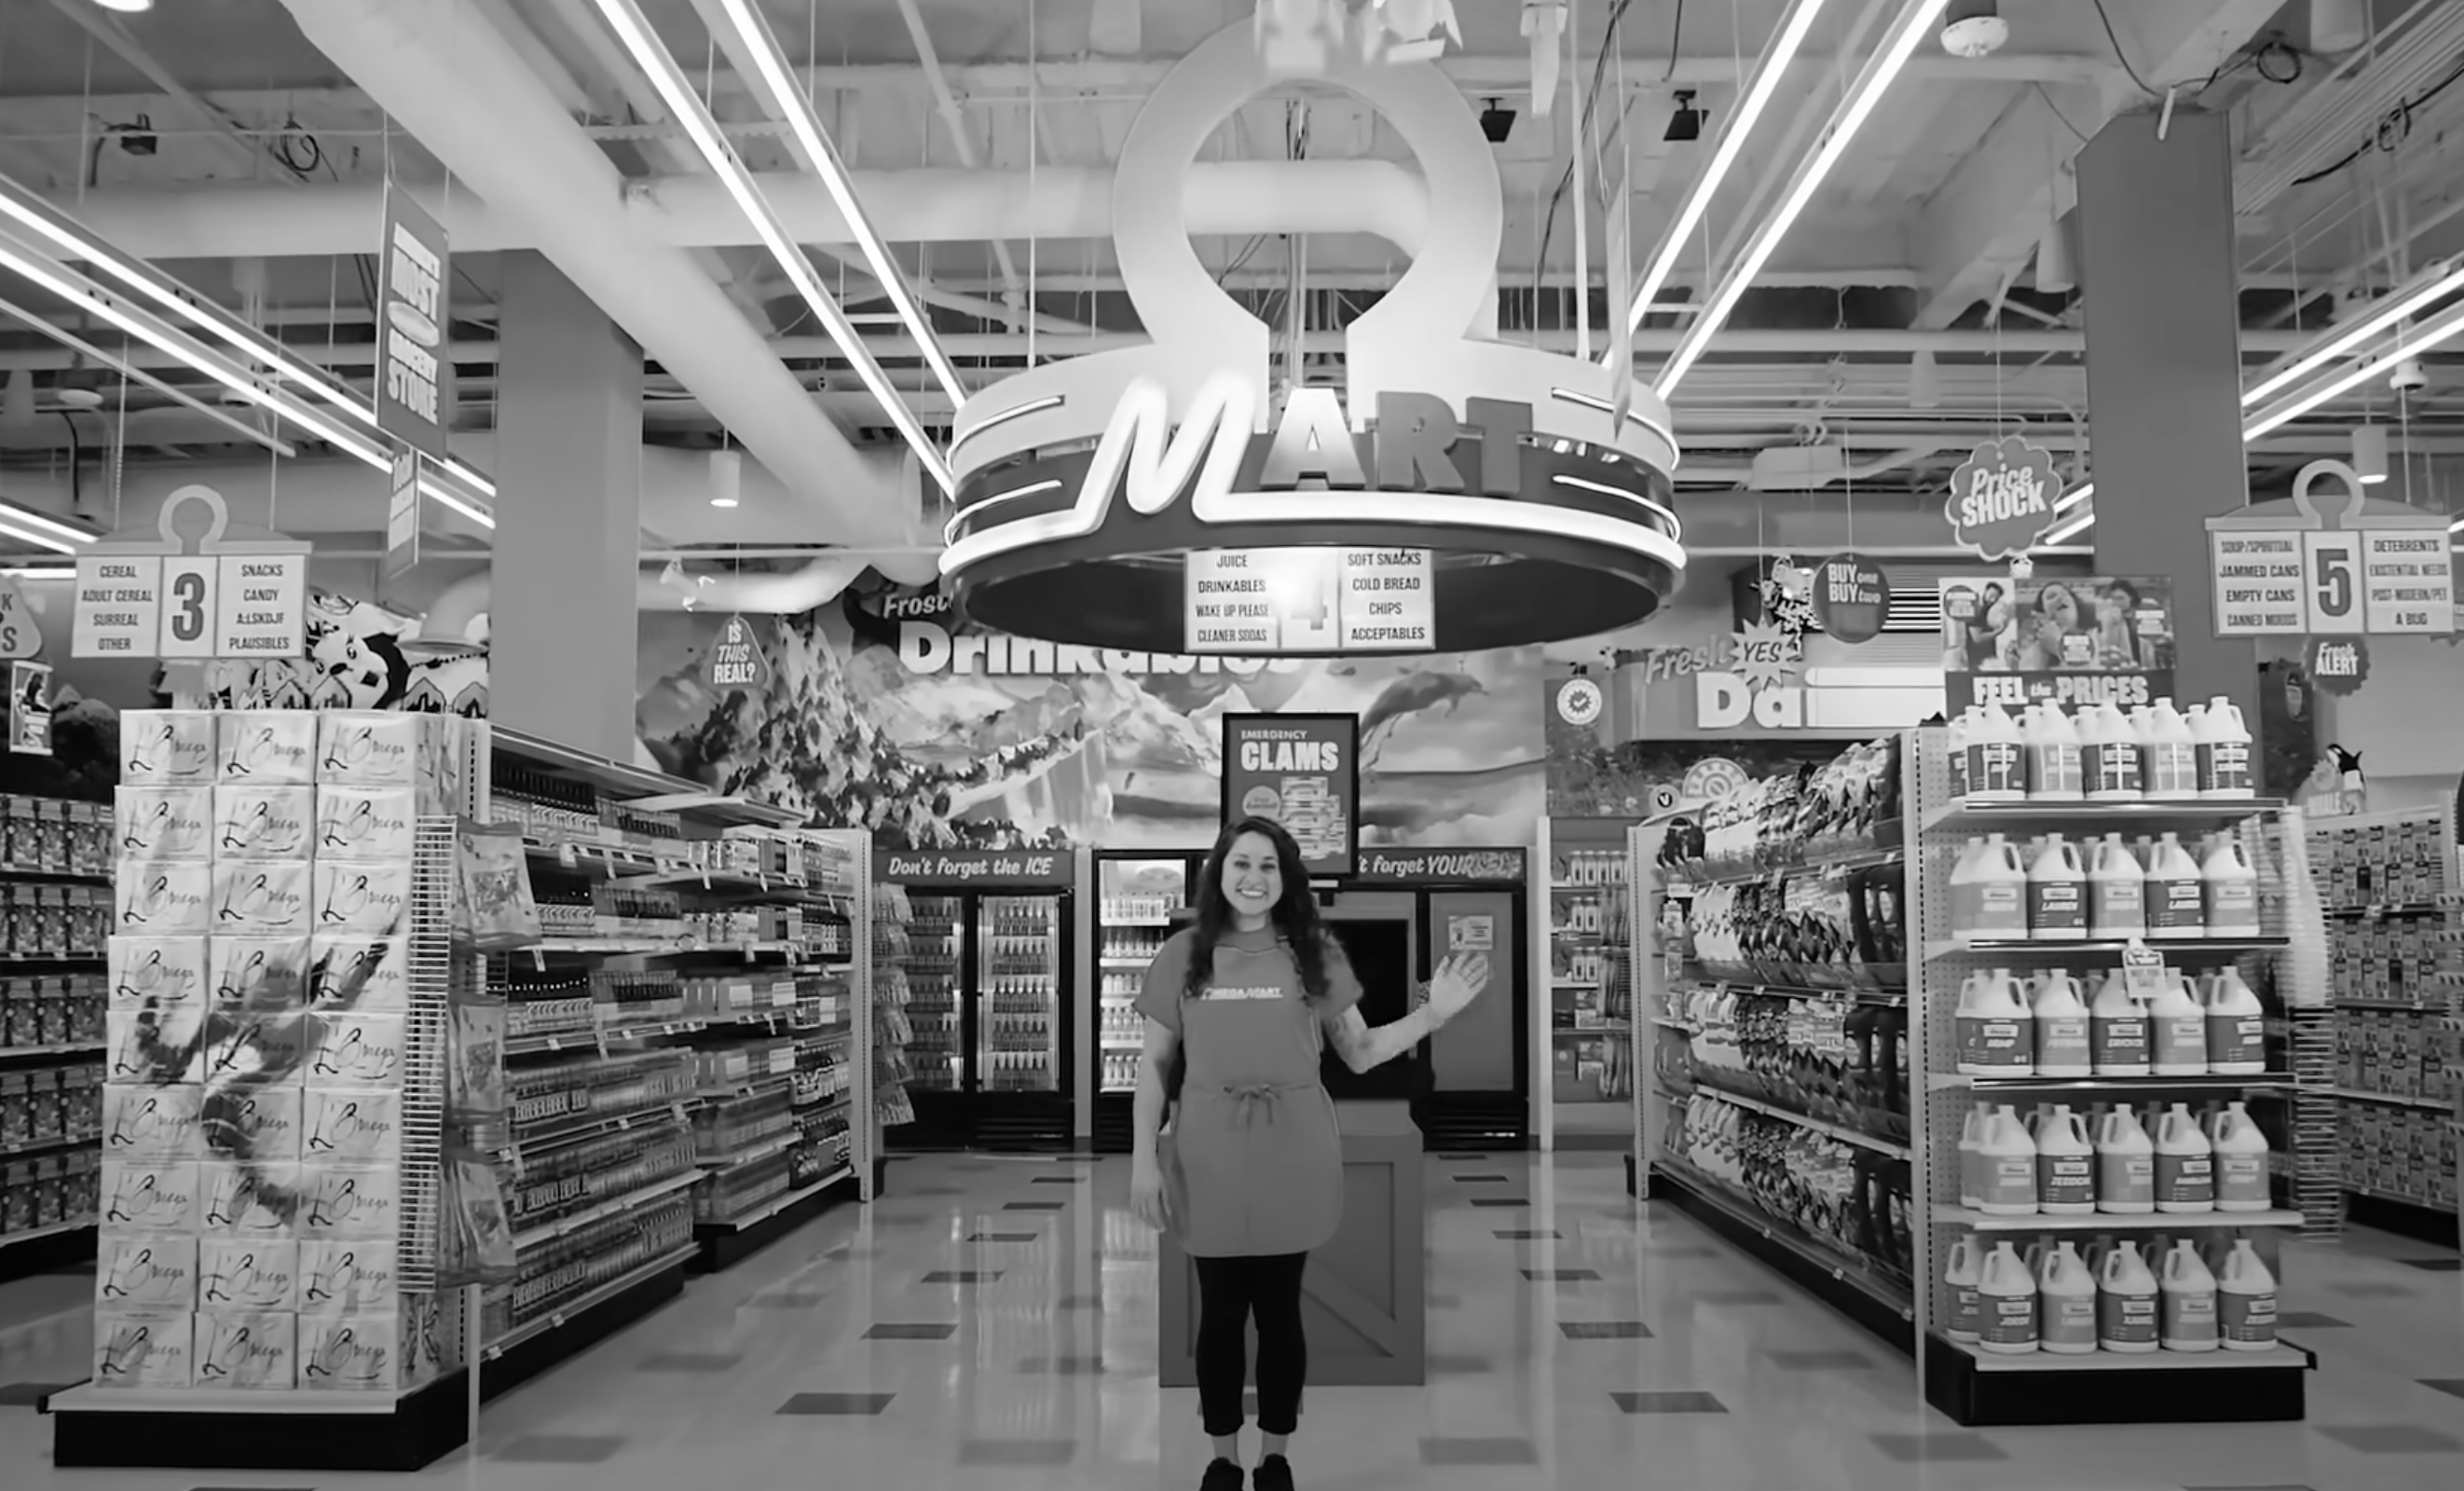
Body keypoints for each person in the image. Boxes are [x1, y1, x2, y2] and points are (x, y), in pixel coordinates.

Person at [1129, 816, 1489, 1491]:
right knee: (1219, 1312)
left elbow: (1361, 1051)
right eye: (1241, 864)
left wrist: (1434, 1014)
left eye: (1268, 866)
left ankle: (1274, 1458)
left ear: (1287, 878)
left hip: (1292, 1149)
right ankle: (1222, 1460)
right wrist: (1144, 1158)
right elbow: (1153, 1066)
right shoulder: (1183, 954)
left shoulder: (1313, 953)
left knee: (1279, 1311)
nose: (1254, 878)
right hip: (1206, 1150)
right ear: (1219, 872)